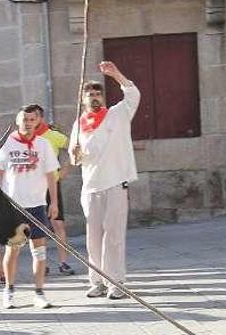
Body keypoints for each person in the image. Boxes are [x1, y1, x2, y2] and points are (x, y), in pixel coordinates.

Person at [69, 61, 140, 300]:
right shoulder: (78, 125)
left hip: (115, 183)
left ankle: (116, 282)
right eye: (90, 94)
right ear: (83, 99)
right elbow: (74, 158)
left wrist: (116, 74)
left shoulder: (118, 115)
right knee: (93, 239)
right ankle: (96, 281)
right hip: (90, 187)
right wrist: (75, 153)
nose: (94, 97)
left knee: (114, 237)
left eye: (98, 93)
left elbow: (133, 94)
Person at [0, 106, 60, 309]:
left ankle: (39, 293)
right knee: (12, 252)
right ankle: (9, 291)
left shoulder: (43, 144)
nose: (28, 123)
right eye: (24, 119)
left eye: (31, 119)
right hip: (14, 208)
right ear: (18, 120)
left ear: (37, 121)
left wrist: (54, 202)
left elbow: (51, 176)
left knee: (39, 253)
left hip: (37, 206)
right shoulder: (8, 144)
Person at [31, 104, 75, 276]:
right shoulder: (26, 138)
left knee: (57, 224)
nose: (31, 121)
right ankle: (42, 264)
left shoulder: (53, 136)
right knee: (37, 227)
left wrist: (65, 170)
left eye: (34, 117)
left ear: (41, 118)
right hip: (33, 188)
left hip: (51, 186)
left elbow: (74, 149)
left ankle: (63, 262)